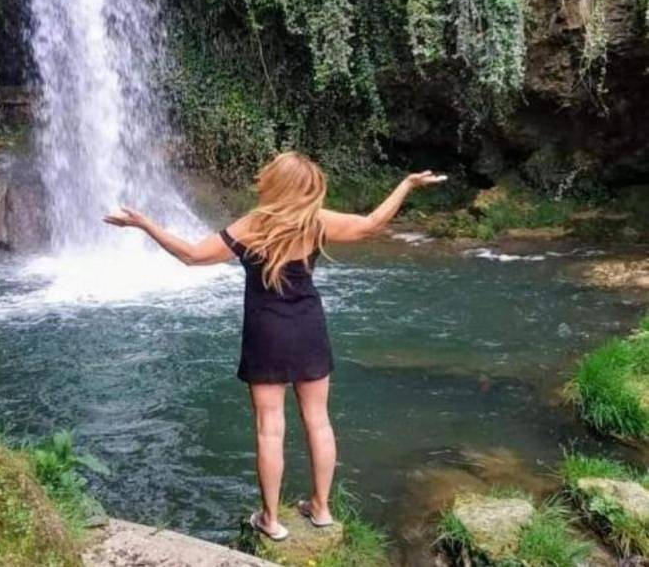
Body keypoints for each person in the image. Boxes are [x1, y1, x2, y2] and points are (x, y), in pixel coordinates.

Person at [104, 151, 445, 541]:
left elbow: (192, 256)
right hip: (309, 327)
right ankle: (321, 508)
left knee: (270, 429)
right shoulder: (315, 221)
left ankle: (271, 519)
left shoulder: (252, 225)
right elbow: (371, 225)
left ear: (275, 182)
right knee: (318, 421)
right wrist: (406, 185)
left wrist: (146, 224)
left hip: (266, 331)